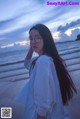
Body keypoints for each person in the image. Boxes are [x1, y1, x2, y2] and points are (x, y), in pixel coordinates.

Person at [15, 24, 77, 119]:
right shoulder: (44, 59)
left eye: (37, 37)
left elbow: (43, 98)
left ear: (45, 38)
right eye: (31, 39)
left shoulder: (42, 62)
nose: (33, 41)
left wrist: (40, 116)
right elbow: (26, 63)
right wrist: (33, 46)